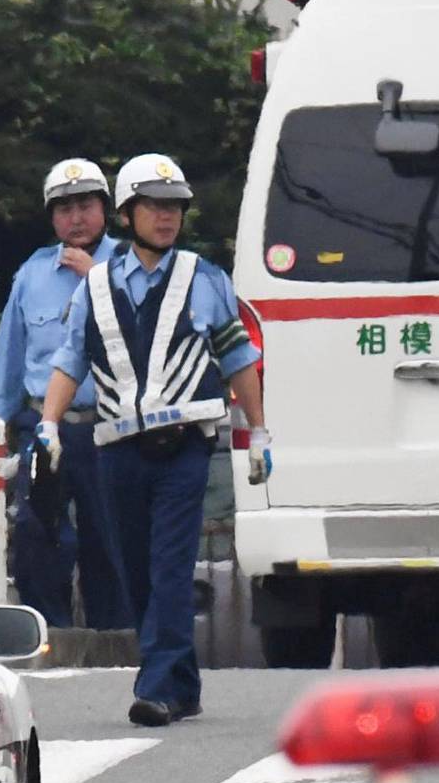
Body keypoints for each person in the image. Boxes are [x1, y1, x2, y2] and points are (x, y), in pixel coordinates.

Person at [38, 154, 270, 727]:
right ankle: (183, 684)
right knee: (136, 572)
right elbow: (70, 359)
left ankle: (158, 687)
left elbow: (239, 358)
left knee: (169, 566)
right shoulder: (93, 285)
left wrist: (258, 430)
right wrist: (48, 423)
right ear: (126, 213)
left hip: (185, 447)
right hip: (115, 448)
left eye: (174, 207)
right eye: (154, 206)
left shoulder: (207, 278)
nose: (167, 218)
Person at [0, 159, 129, 629]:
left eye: (85, 206)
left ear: (105, 211)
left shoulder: (130, 266)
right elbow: (11, 351)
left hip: (111, 427)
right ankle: (50, 634)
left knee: (109, 540)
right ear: (52, 218)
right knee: (34, 530)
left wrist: (97, 278)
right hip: (43, 427)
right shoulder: (32, 273)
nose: (76, 219)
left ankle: (118, 642)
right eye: (64, 209)